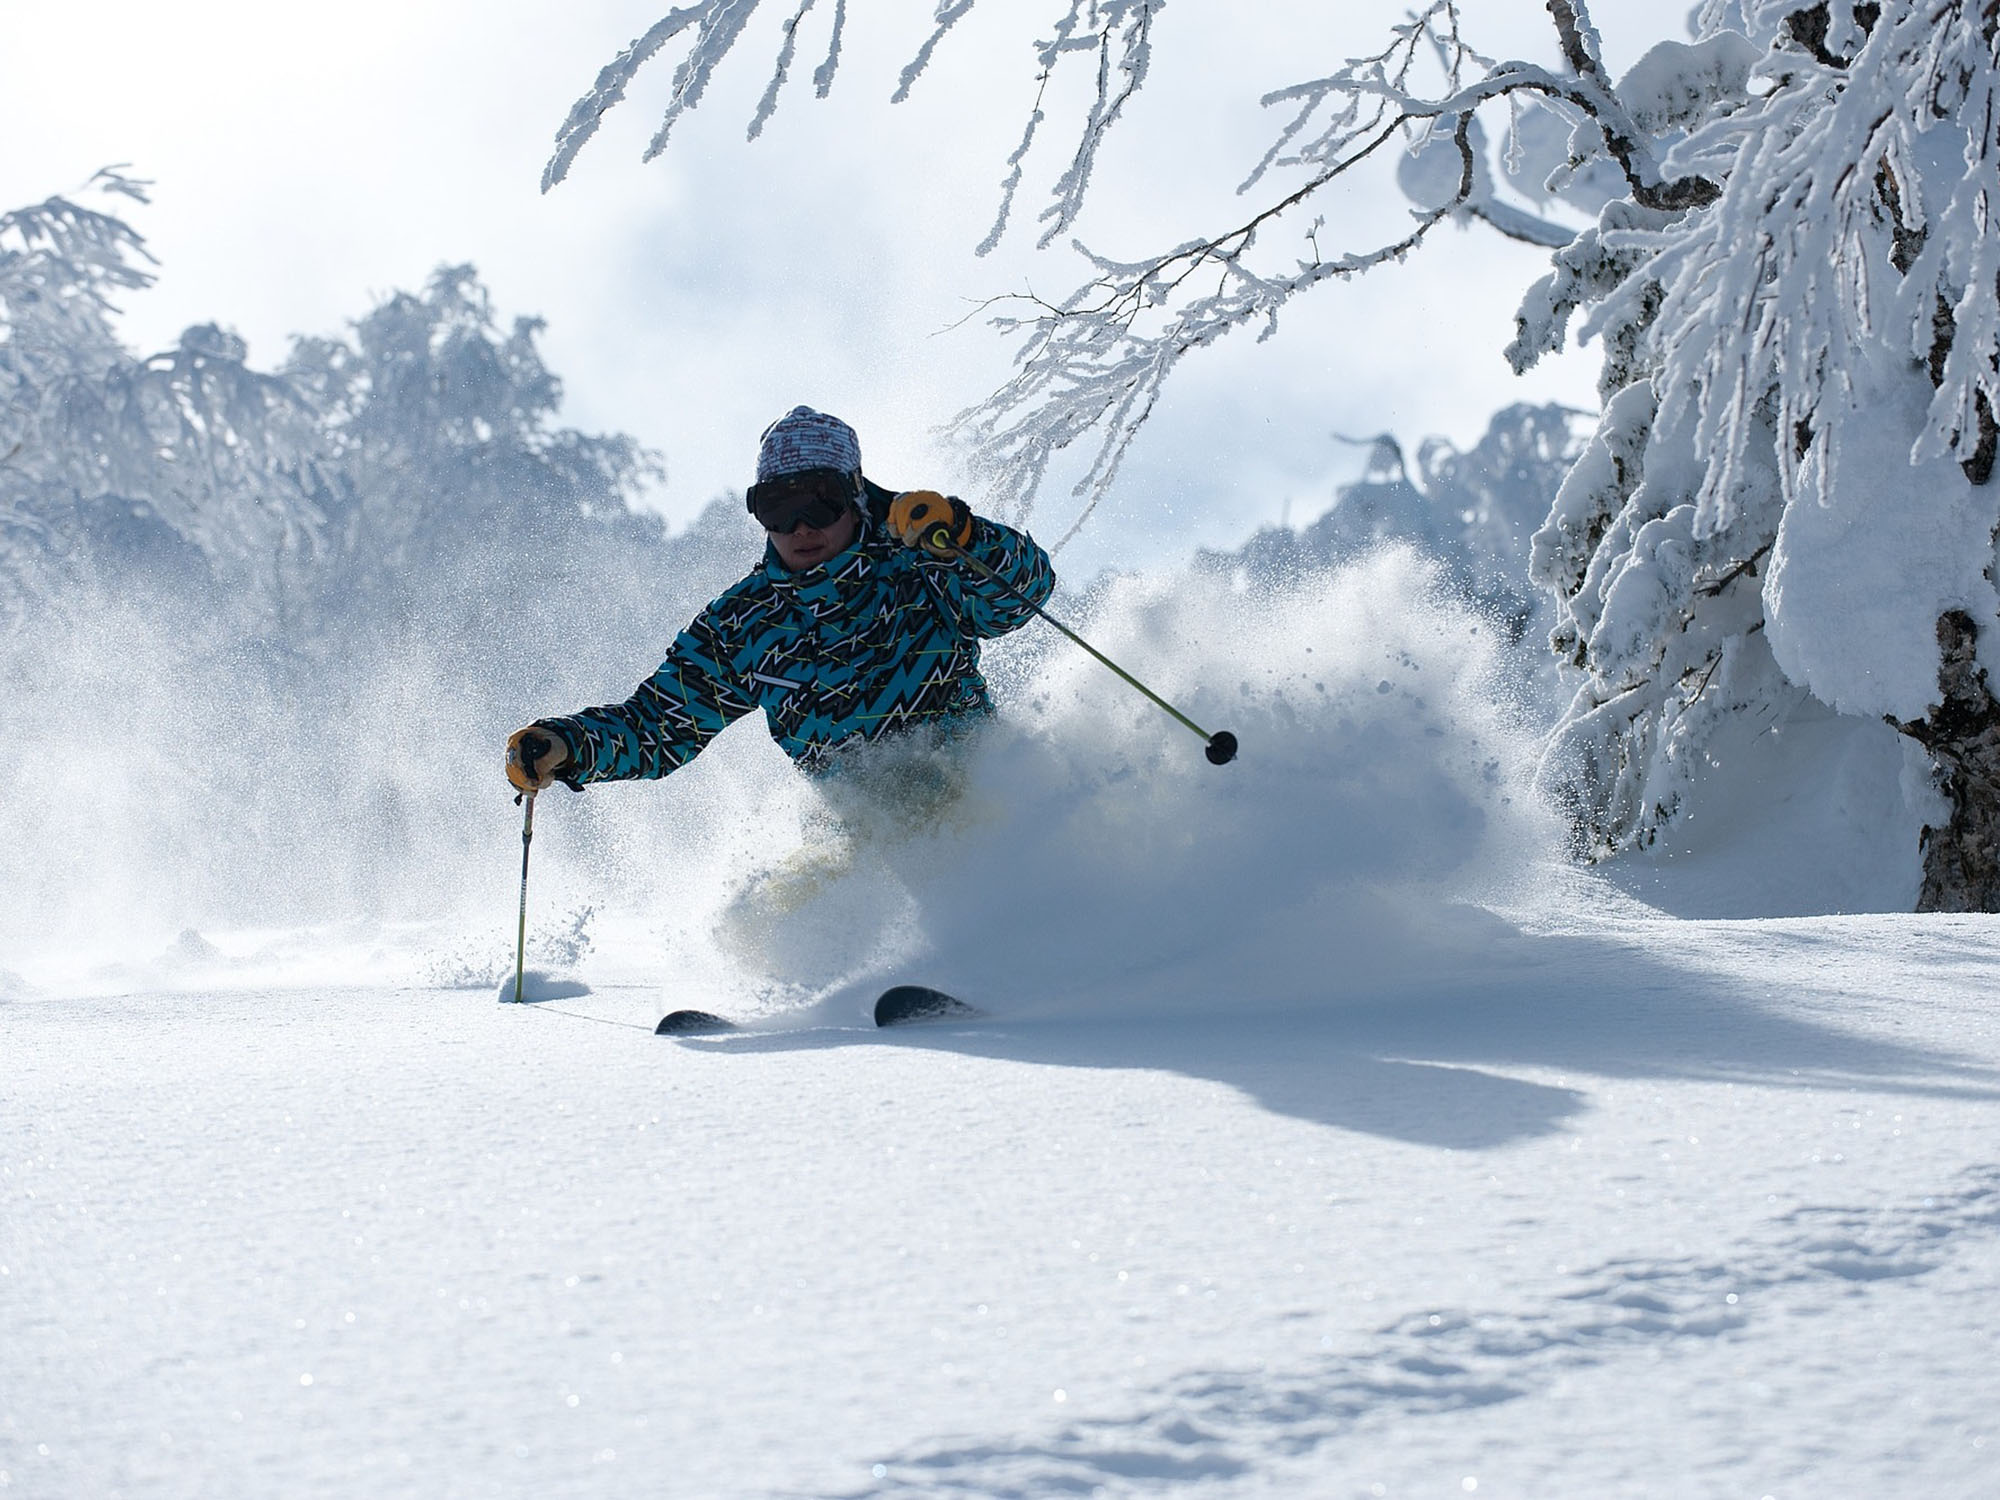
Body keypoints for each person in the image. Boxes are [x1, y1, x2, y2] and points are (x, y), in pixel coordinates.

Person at [505, 406, 1055, 800]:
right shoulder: (743, 625)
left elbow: (1020, 598)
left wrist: (964, 536)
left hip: (986, 800)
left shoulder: (920, 562)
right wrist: (569, 743)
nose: (800, 529)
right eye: (777, 508)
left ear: (855, 495)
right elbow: (658, 728)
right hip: (874, 841)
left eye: (819, 504)